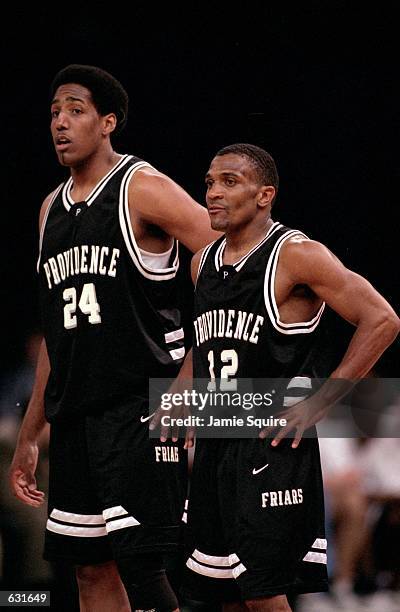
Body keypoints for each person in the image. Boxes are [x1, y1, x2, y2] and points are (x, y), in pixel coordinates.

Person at [8, 64, 221, 612]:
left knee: (144, 567)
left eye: (75, 111)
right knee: (89, 570)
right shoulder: (50, 210)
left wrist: (190, 382)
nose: (60, 122)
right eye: (54, 112)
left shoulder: (141, 187)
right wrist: (32, 433)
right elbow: (59, 335)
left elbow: (233, 263)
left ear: (107, 123)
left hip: (139, 405)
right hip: (77, 413)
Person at [174, 143, 400, 612]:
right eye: (210, 183)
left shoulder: (297, 255)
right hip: (219, 438)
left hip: (271, 442)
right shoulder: (202, 264)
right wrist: (184, 393)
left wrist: (322, 400)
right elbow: (209, 342)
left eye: (229, 182)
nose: (213, 193)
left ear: (265, 195)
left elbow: (382, 319)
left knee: (264, 594)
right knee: (222, 596)